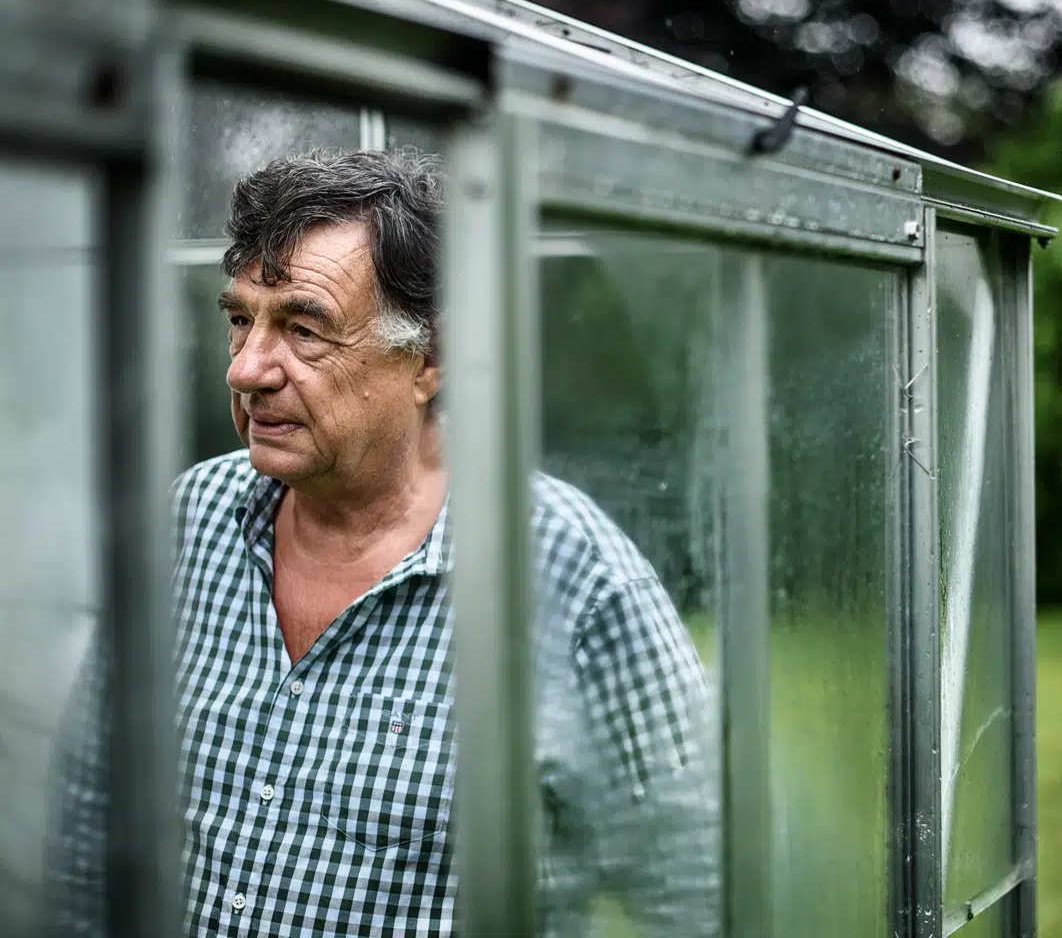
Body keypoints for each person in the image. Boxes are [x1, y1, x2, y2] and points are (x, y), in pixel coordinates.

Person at [44, 149, 719, 936]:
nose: (248, 370)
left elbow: (701, 893)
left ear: (431, 358)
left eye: (303, 329)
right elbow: (87, 823)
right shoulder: (186, 520)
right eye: (240, 320)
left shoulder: (573, 577)